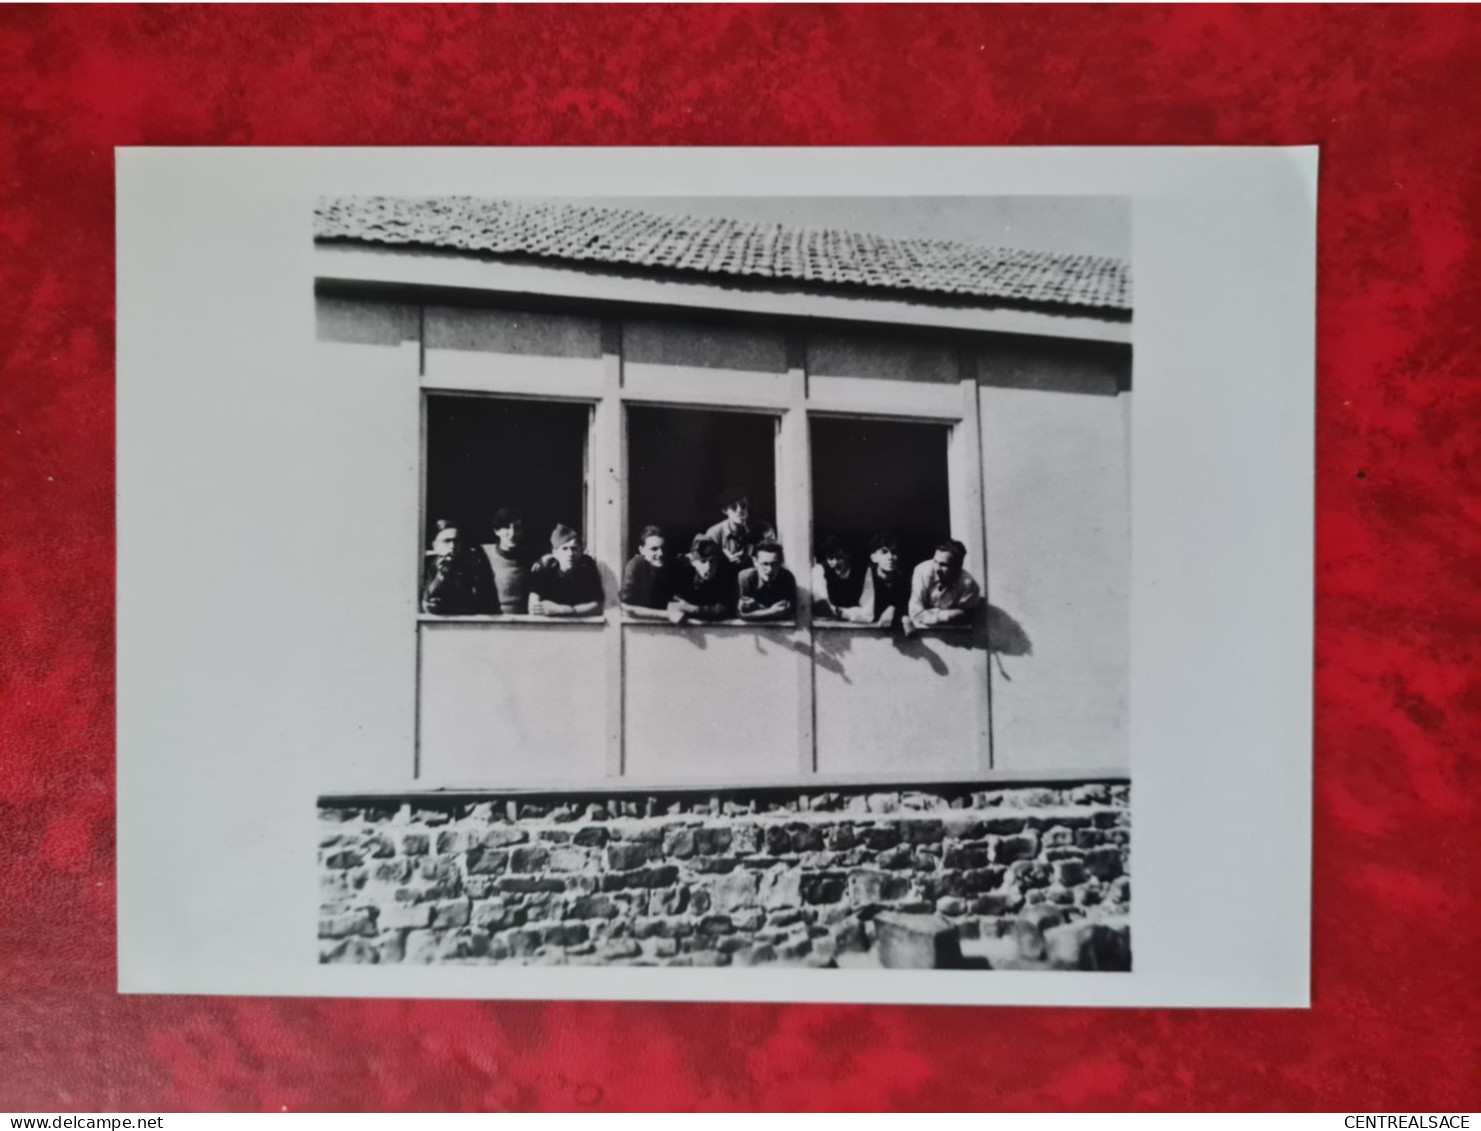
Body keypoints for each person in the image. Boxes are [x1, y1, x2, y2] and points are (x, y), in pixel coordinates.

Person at [905, 538, 982, 636]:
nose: (936, 568)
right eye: (935, 561)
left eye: (943, 565)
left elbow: (967, 618)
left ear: (957, 566)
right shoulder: (922, 571)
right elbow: (915, 614)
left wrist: (930, 614)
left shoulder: (969, 584)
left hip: (954, 638)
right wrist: (949, 615)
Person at [422, 519, 498, 616]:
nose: (452, 546)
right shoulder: (427, 566)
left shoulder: (469, 567)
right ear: (435, 545)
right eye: (447, 541)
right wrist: (440, 578)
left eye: (456, 541)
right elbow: (428, 601)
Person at [528, 524, 604, 616]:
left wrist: (566, 610)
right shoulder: (545, 569)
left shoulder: (587, 568)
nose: (570, 554)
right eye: (564, 549)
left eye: (574, 548)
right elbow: (533, 607)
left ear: (581, 551)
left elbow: (598, 606)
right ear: (555, 553)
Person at [620, 525, 684, 623]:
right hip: (641, 626)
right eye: (654, 549)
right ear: (642, 550)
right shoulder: (636, 565)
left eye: (663, 548)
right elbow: (627, 607)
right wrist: (667, 614)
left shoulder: (672, 566)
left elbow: (679, 602)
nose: (661, 553)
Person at [704, 486, 774, 571]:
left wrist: (751, 557)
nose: (739, 510)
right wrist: (723, 560)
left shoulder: (764, 529)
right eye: (733, 507)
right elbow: (706, 565)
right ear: (725, 511)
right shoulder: (714, 534)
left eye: (743, 505)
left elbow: (773, 558)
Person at [670, 535, 737, 622]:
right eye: (703, 561)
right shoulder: (682, 575)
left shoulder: (723, 575)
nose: (708, 567)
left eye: (712, 561)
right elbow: (676, 605)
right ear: (692, 562)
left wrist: (694, 609)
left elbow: (725, 609)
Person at [481, 506, 531, 615]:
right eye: (506, 527)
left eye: (517, 527)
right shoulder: (483, 553)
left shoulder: (530, 557)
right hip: (493, 618)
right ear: (496, 531)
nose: (512, 533)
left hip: (523, 619)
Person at [858, 531, 912, 630]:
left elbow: (908, 607)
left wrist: (894, 609)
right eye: (884, 552)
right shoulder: (864, 578)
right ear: (873, 558)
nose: (890, 557)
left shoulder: (904, 580)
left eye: (894, 552)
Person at [811, 535, 871, 623]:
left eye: (839, 557)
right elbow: (822, 605)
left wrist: (842, 613)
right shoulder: (819, 570)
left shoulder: (864, 571)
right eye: (831, 558)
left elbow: (868, 612)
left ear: (849, 555)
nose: (835, 563)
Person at [737, 541, 797, 622]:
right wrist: (771, 611)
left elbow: (786, 613)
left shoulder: (786, 577)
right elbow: (743, 614)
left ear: (780, 563)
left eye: (774, 564)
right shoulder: (746, 578)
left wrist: (757, 608)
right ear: (755, 562)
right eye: (765, 564)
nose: (770, 570)